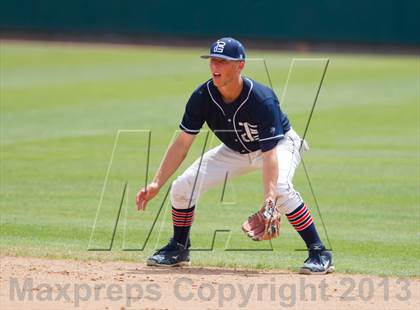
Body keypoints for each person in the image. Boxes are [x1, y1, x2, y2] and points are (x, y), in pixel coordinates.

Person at [136, 37, 334, 274]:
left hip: (279, 144)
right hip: (235, 150)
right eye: (212, 60)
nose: (215, 66)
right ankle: (179, 248)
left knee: (280, 188)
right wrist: (158, 182)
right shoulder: (202, 97)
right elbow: (182, 144)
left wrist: (269, 200)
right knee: (182, 187)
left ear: (240, 65)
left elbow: (269, 155)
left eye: (222, 61)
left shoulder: (261, 98)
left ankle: (319, 252)